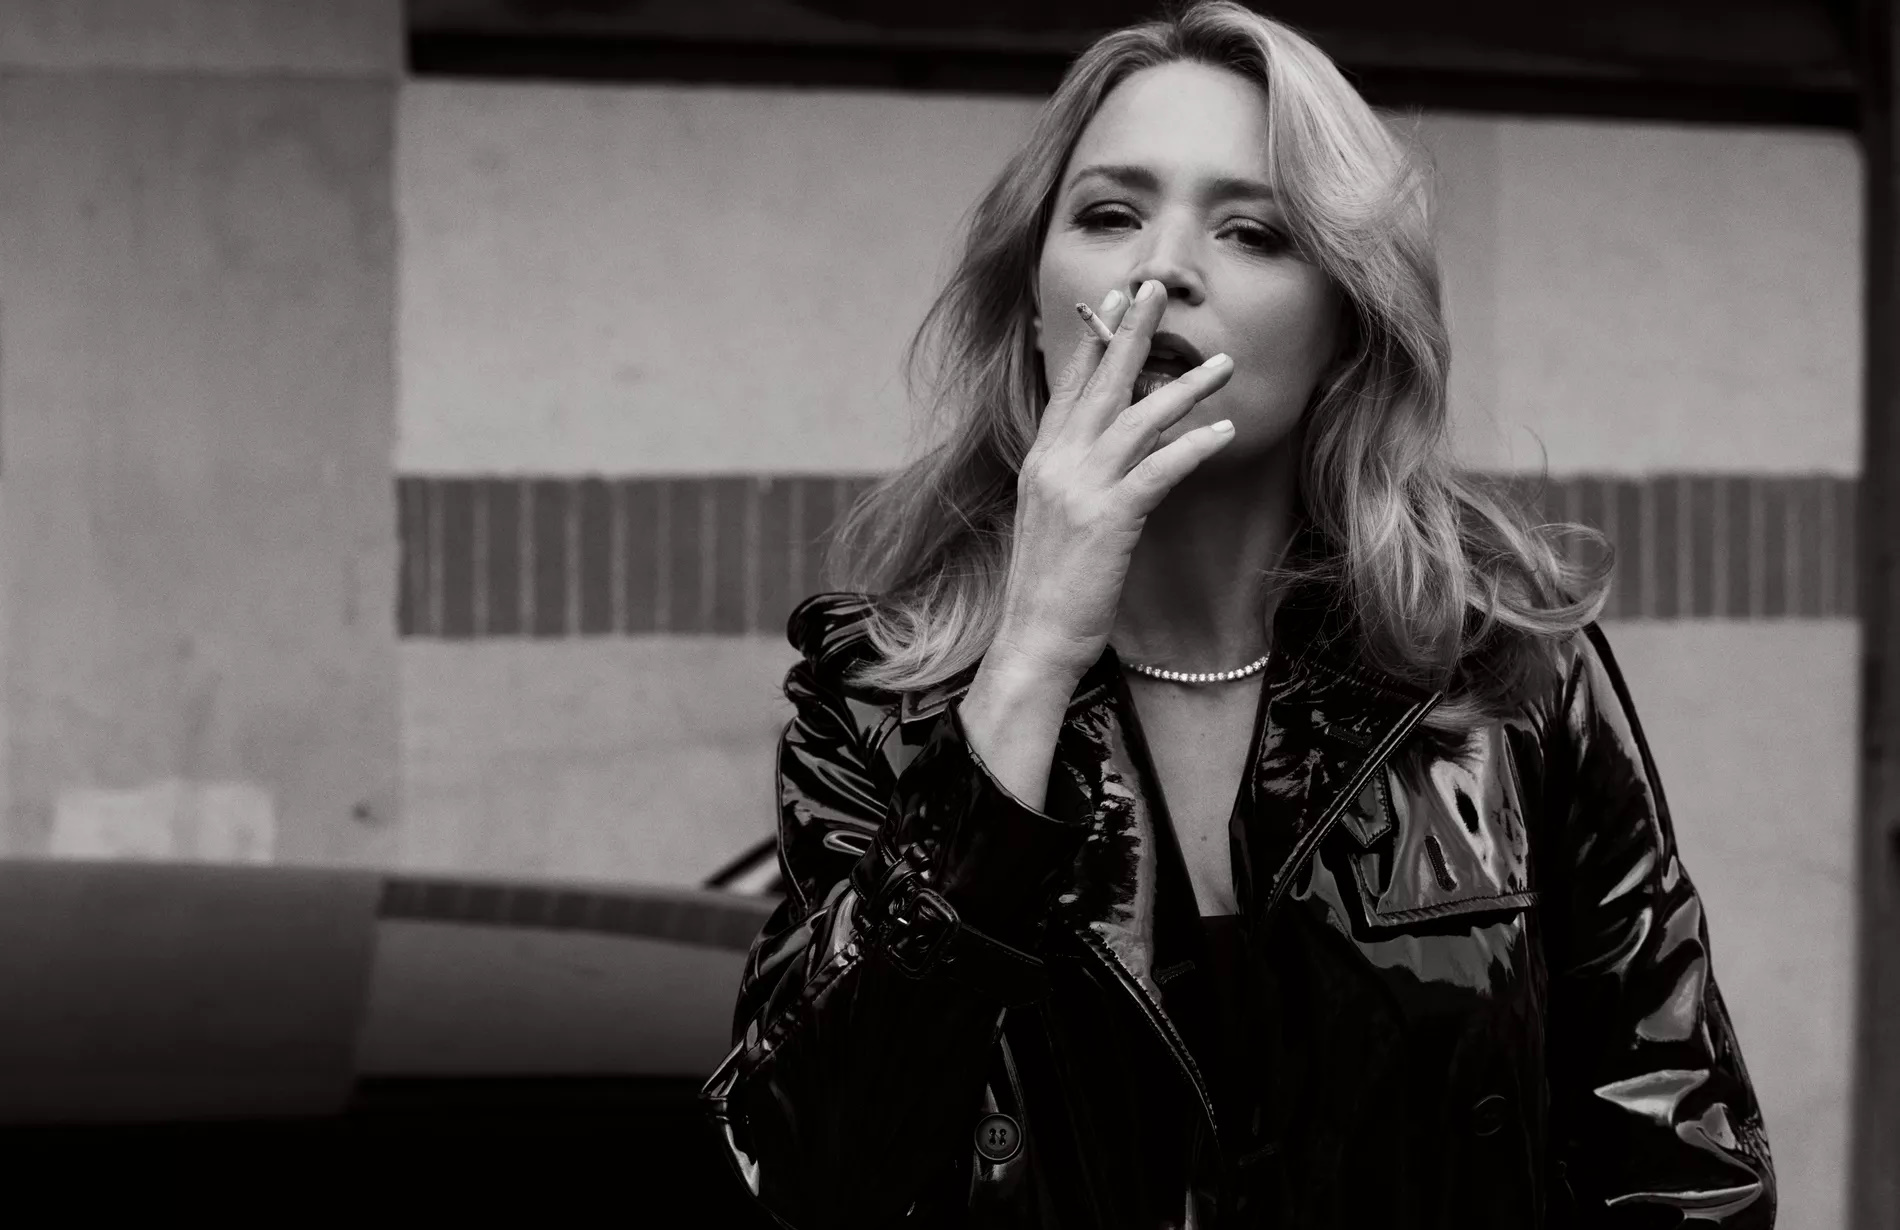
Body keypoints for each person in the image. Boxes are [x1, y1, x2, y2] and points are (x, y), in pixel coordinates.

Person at [698, 3, 1775, 1225]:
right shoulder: (875, 702)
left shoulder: (1503, 672)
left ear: (1345, 323)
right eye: (1108, 215)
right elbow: (809, 1176)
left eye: (1252, 231)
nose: (1159, 270)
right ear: (1034, 302)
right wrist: (1030, 660)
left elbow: (1685, 1162)